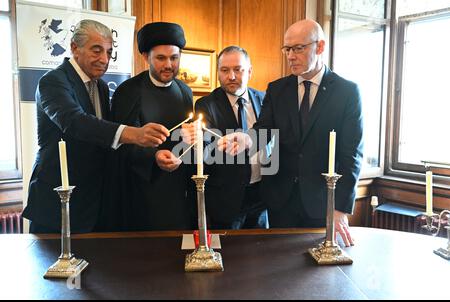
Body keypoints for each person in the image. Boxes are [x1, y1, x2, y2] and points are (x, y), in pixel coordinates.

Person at [218, 19, 363, 246]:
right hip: (279, 201)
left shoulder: (347, 92)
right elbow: (264, 130)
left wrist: (341, 208)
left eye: (298, 48)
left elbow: (352, 155)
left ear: (320, 46)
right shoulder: (277, 89)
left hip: (322, 201)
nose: (291, 56)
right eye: (287, 49)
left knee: (317, 277)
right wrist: (246, 139)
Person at [23, 19, 169, 234]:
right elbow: (74, 121)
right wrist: (133, 133)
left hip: (95, 205)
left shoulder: (100, 86)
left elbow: (103, 137)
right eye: (96, 50)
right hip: (58, 204)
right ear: (74, 48)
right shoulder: (52, 82)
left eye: (109, 53)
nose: (104, 59)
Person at [108, 22, 196, 231]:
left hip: (178, 189)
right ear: (146, 57)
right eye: (161, 58)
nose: (168, 65)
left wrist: (191, 138)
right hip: (141, 190)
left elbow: (184, 136)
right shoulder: (128, 92)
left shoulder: (184, 91)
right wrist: (153, 156)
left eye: (174, 58)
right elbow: (121, 144)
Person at [181, 46, 267, 229]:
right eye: (225, 70)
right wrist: (195, 141)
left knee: (259, 251)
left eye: (238, 69)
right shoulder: (206, 104)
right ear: (218, 72)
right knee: (228, 254)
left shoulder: (265, 99)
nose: (231, 76)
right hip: (226, 198)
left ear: (249, 71)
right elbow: (207, 145)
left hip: (261, 196)